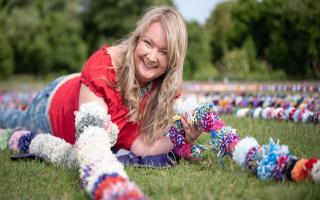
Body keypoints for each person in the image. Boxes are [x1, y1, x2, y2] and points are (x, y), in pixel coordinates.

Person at [0, 5, 201, 157]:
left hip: (74, 85)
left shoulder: (166, 86)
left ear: (172, 60)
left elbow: (142, 145)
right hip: (51, 110)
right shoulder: (104, 65)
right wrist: (97, 129)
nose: (152, 56)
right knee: (12, 121)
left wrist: (186, 138)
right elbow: (91, 137)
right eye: (148, 43)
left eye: (164, 52)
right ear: (137, 39)